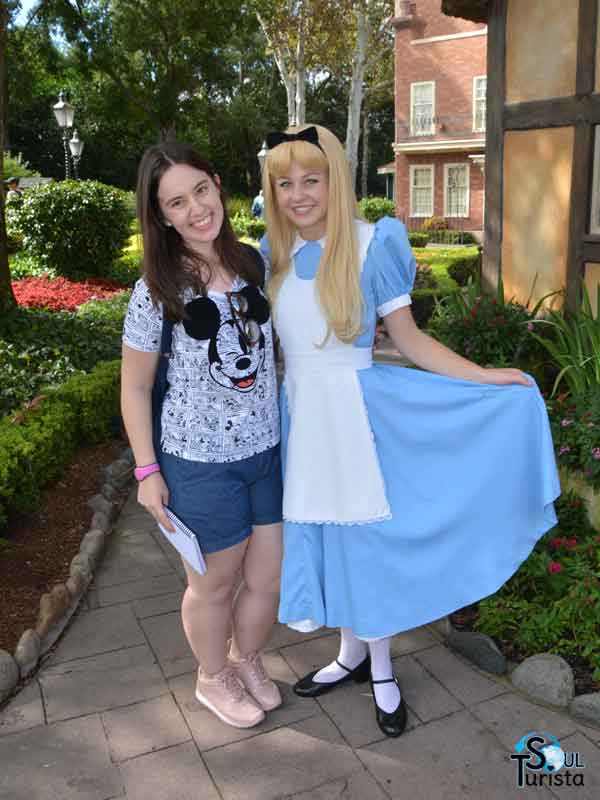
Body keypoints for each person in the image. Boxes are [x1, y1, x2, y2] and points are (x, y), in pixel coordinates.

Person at [259, 124, 559, 738]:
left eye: (311, 179)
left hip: (359, 417)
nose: (299, 194)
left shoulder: (374, 245)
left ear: (335, 180)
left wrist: (484, 377)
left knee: (369, 540)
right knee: (327, 537)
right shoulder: (270, 256)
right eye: (284, 183)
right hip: (300, 418)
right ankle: (349, 654)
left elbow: (412, 340)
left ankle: (384, 669)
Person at [121, 142, 283, 729]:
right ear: (161, 215)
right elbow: (135, 387)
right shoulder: (157, 289)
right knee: (214, 584)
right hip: (199, 464)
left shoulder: (250, 264)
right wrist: (147, 471)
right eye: (176, 202)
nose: (196, 210)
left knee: (267, 577)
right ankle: (212, 678)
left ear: (218, 186)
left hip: (266, 452)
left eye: (201, 191)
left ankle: (247, 660)